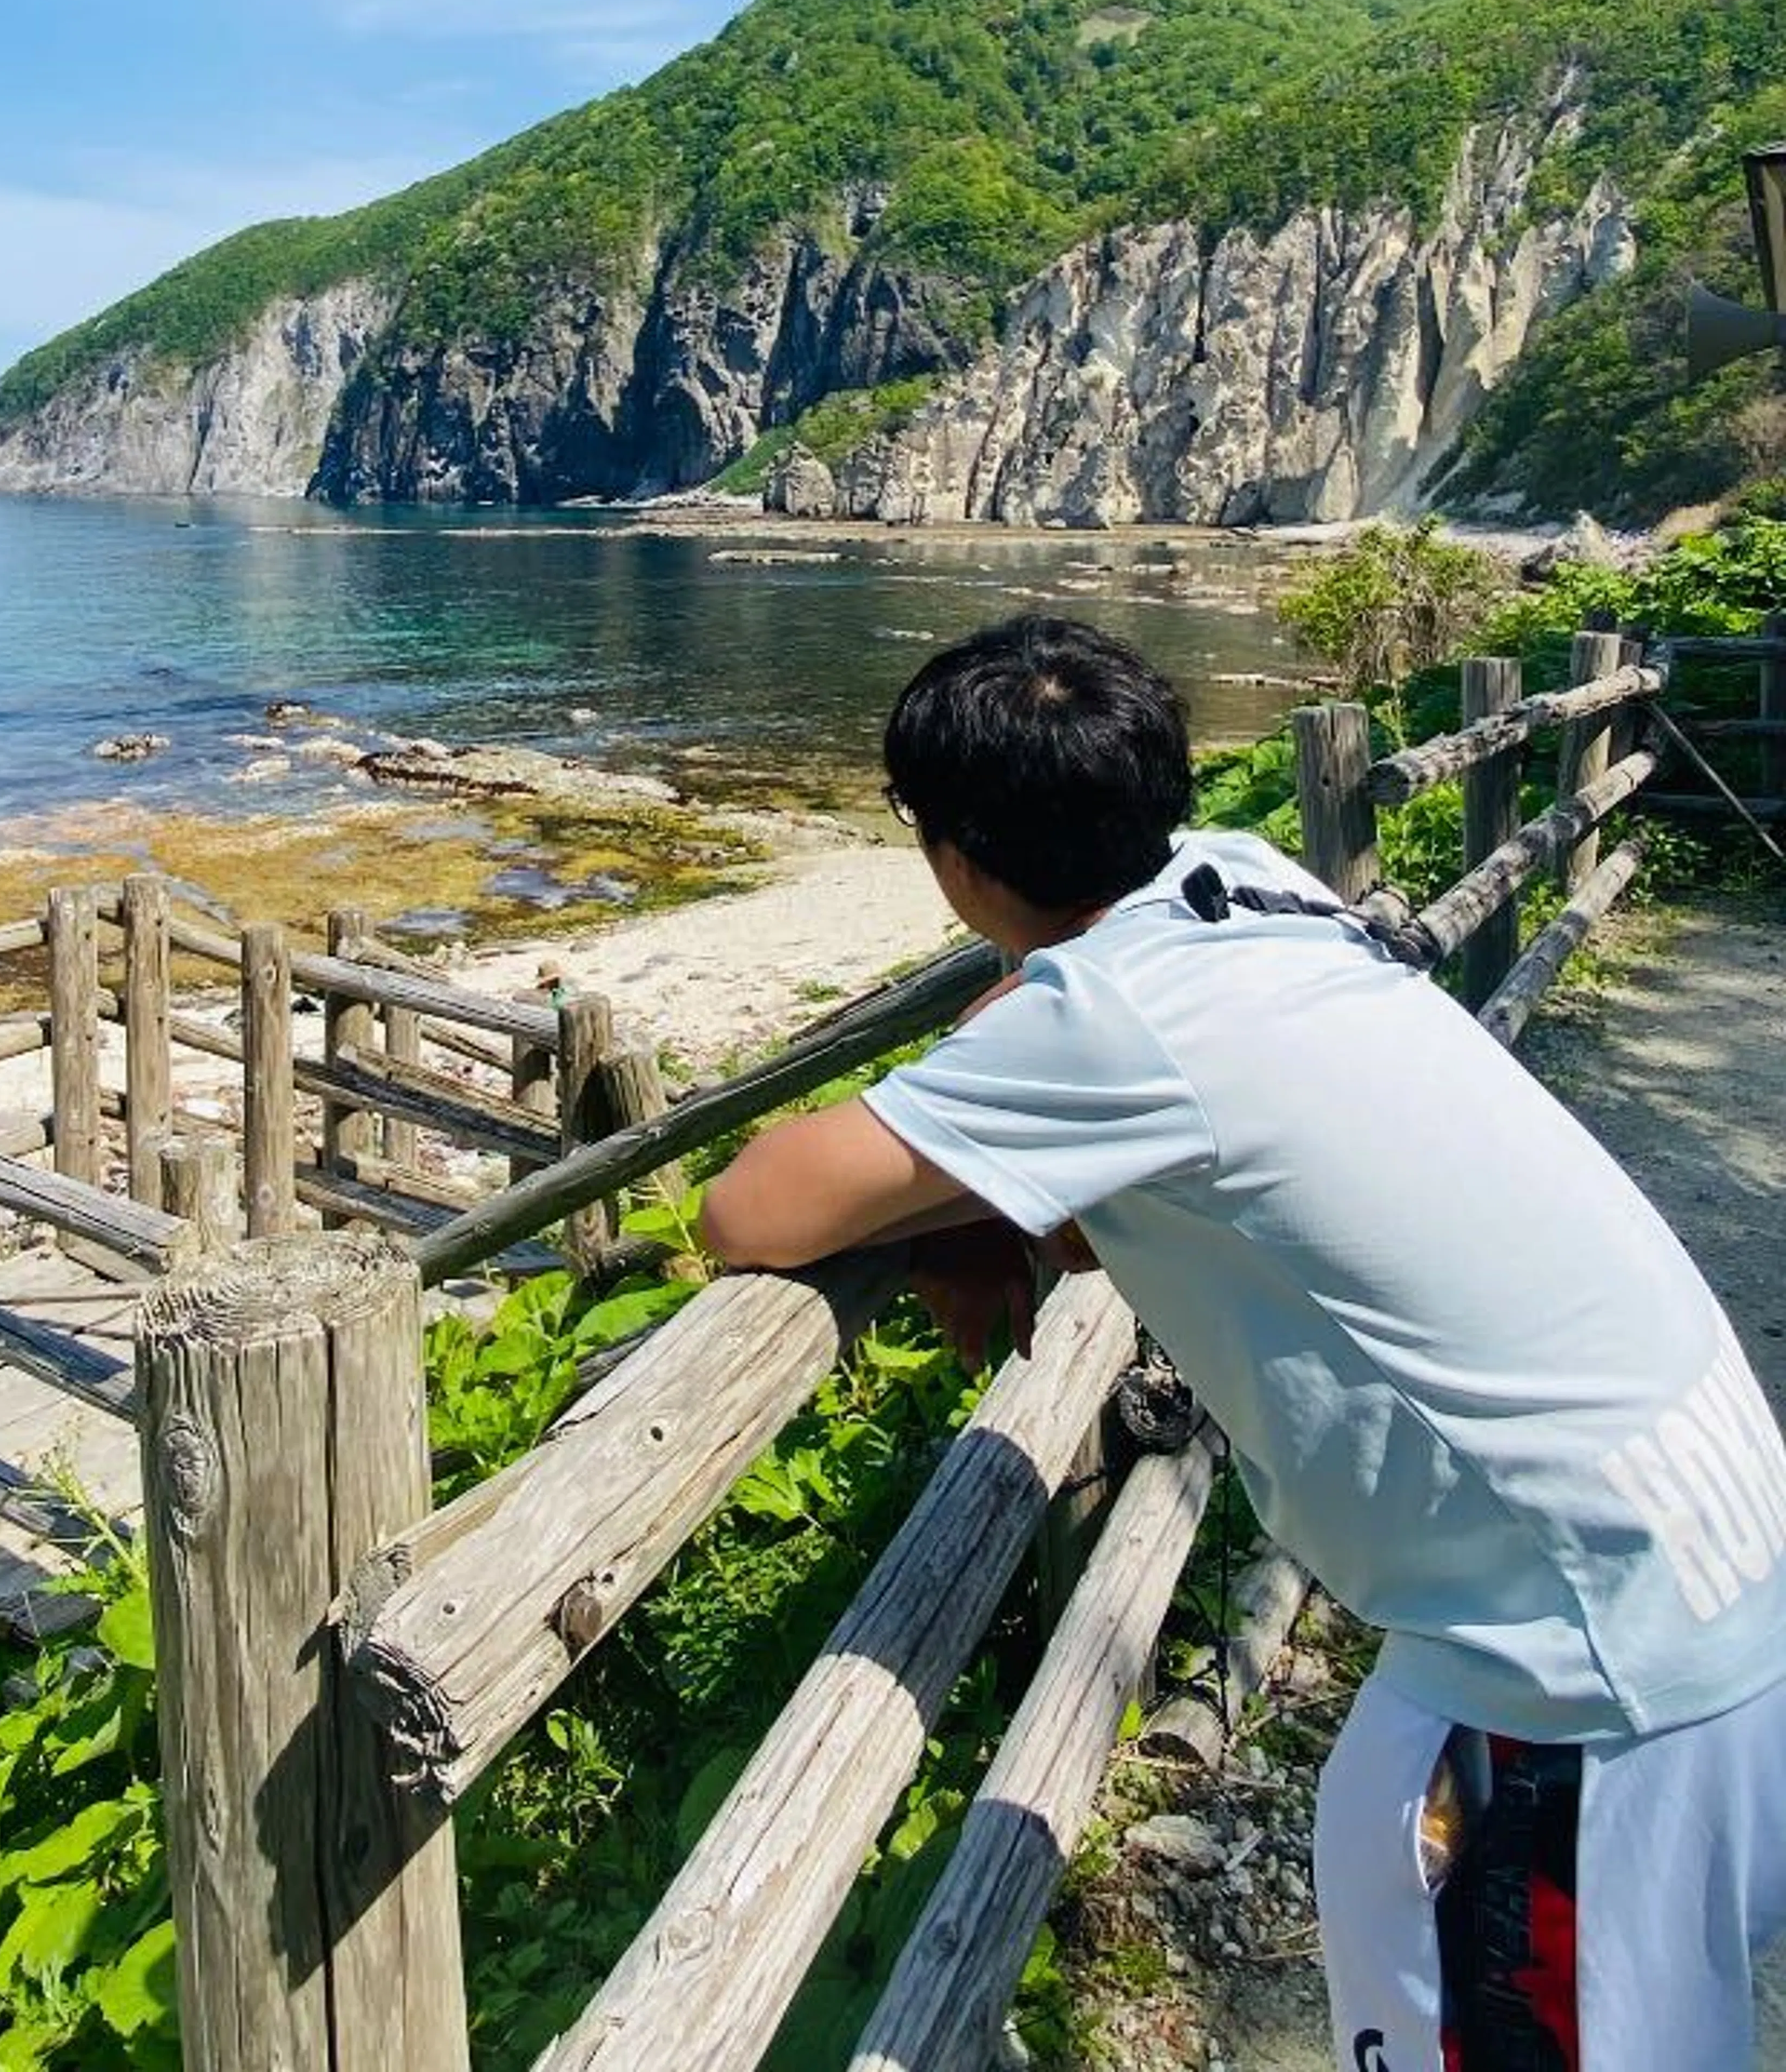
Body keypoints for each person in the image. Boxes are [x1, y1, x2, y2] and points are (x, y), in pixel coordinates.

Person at [699, 614, 1786, 2071]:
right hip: (1717, 1546)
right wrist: (989, 1193)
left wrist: (964, 1201)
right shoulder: (1245, 881)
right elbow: (1079, 1058)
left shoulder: (1108, 1026)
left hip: (1575, 1683)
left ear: (956, 855)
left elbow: (747, 1211)